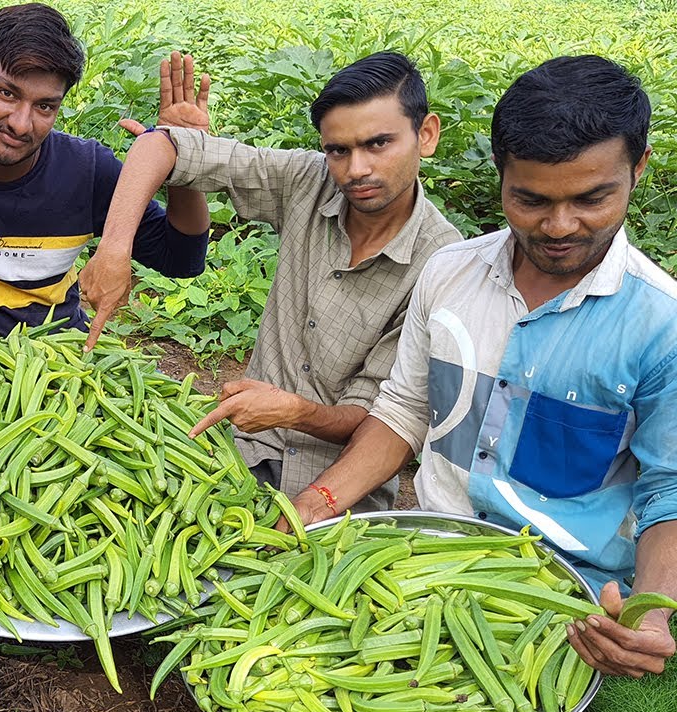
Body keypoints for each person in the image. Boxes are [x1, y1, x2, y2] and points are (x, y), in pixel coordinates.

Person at [291, 55, 677, 678]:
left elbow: (669, 490)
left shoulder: (662, 325)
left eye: (592, 198)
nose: (559, 226)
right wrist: (319, 499)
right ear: (500, 175)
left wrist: (652, 613)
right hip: (425, 558)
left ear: (638, 168)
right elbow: (404, 410)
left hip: (561, 598)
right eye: (530, 199)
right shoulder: (449, 274)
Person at [83, 51, 461, 510]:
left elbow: (385, 415)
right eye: (338, 150)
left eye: (378, 143)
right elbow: (158, 146)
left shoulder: (443, 264)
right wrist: (114, 248)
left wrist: (297, 412)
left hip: (340, 486)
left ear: (426, 134)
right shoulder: (309, 180)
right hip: (241, 453)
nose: (356, 169)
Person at [0, 2, 212, 336]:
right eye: (7, 93)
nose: (20, 124)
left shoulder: (86, 172)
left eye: (44, 106)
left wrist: (185, 163)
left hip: (59, 355)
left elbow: (181, 259)